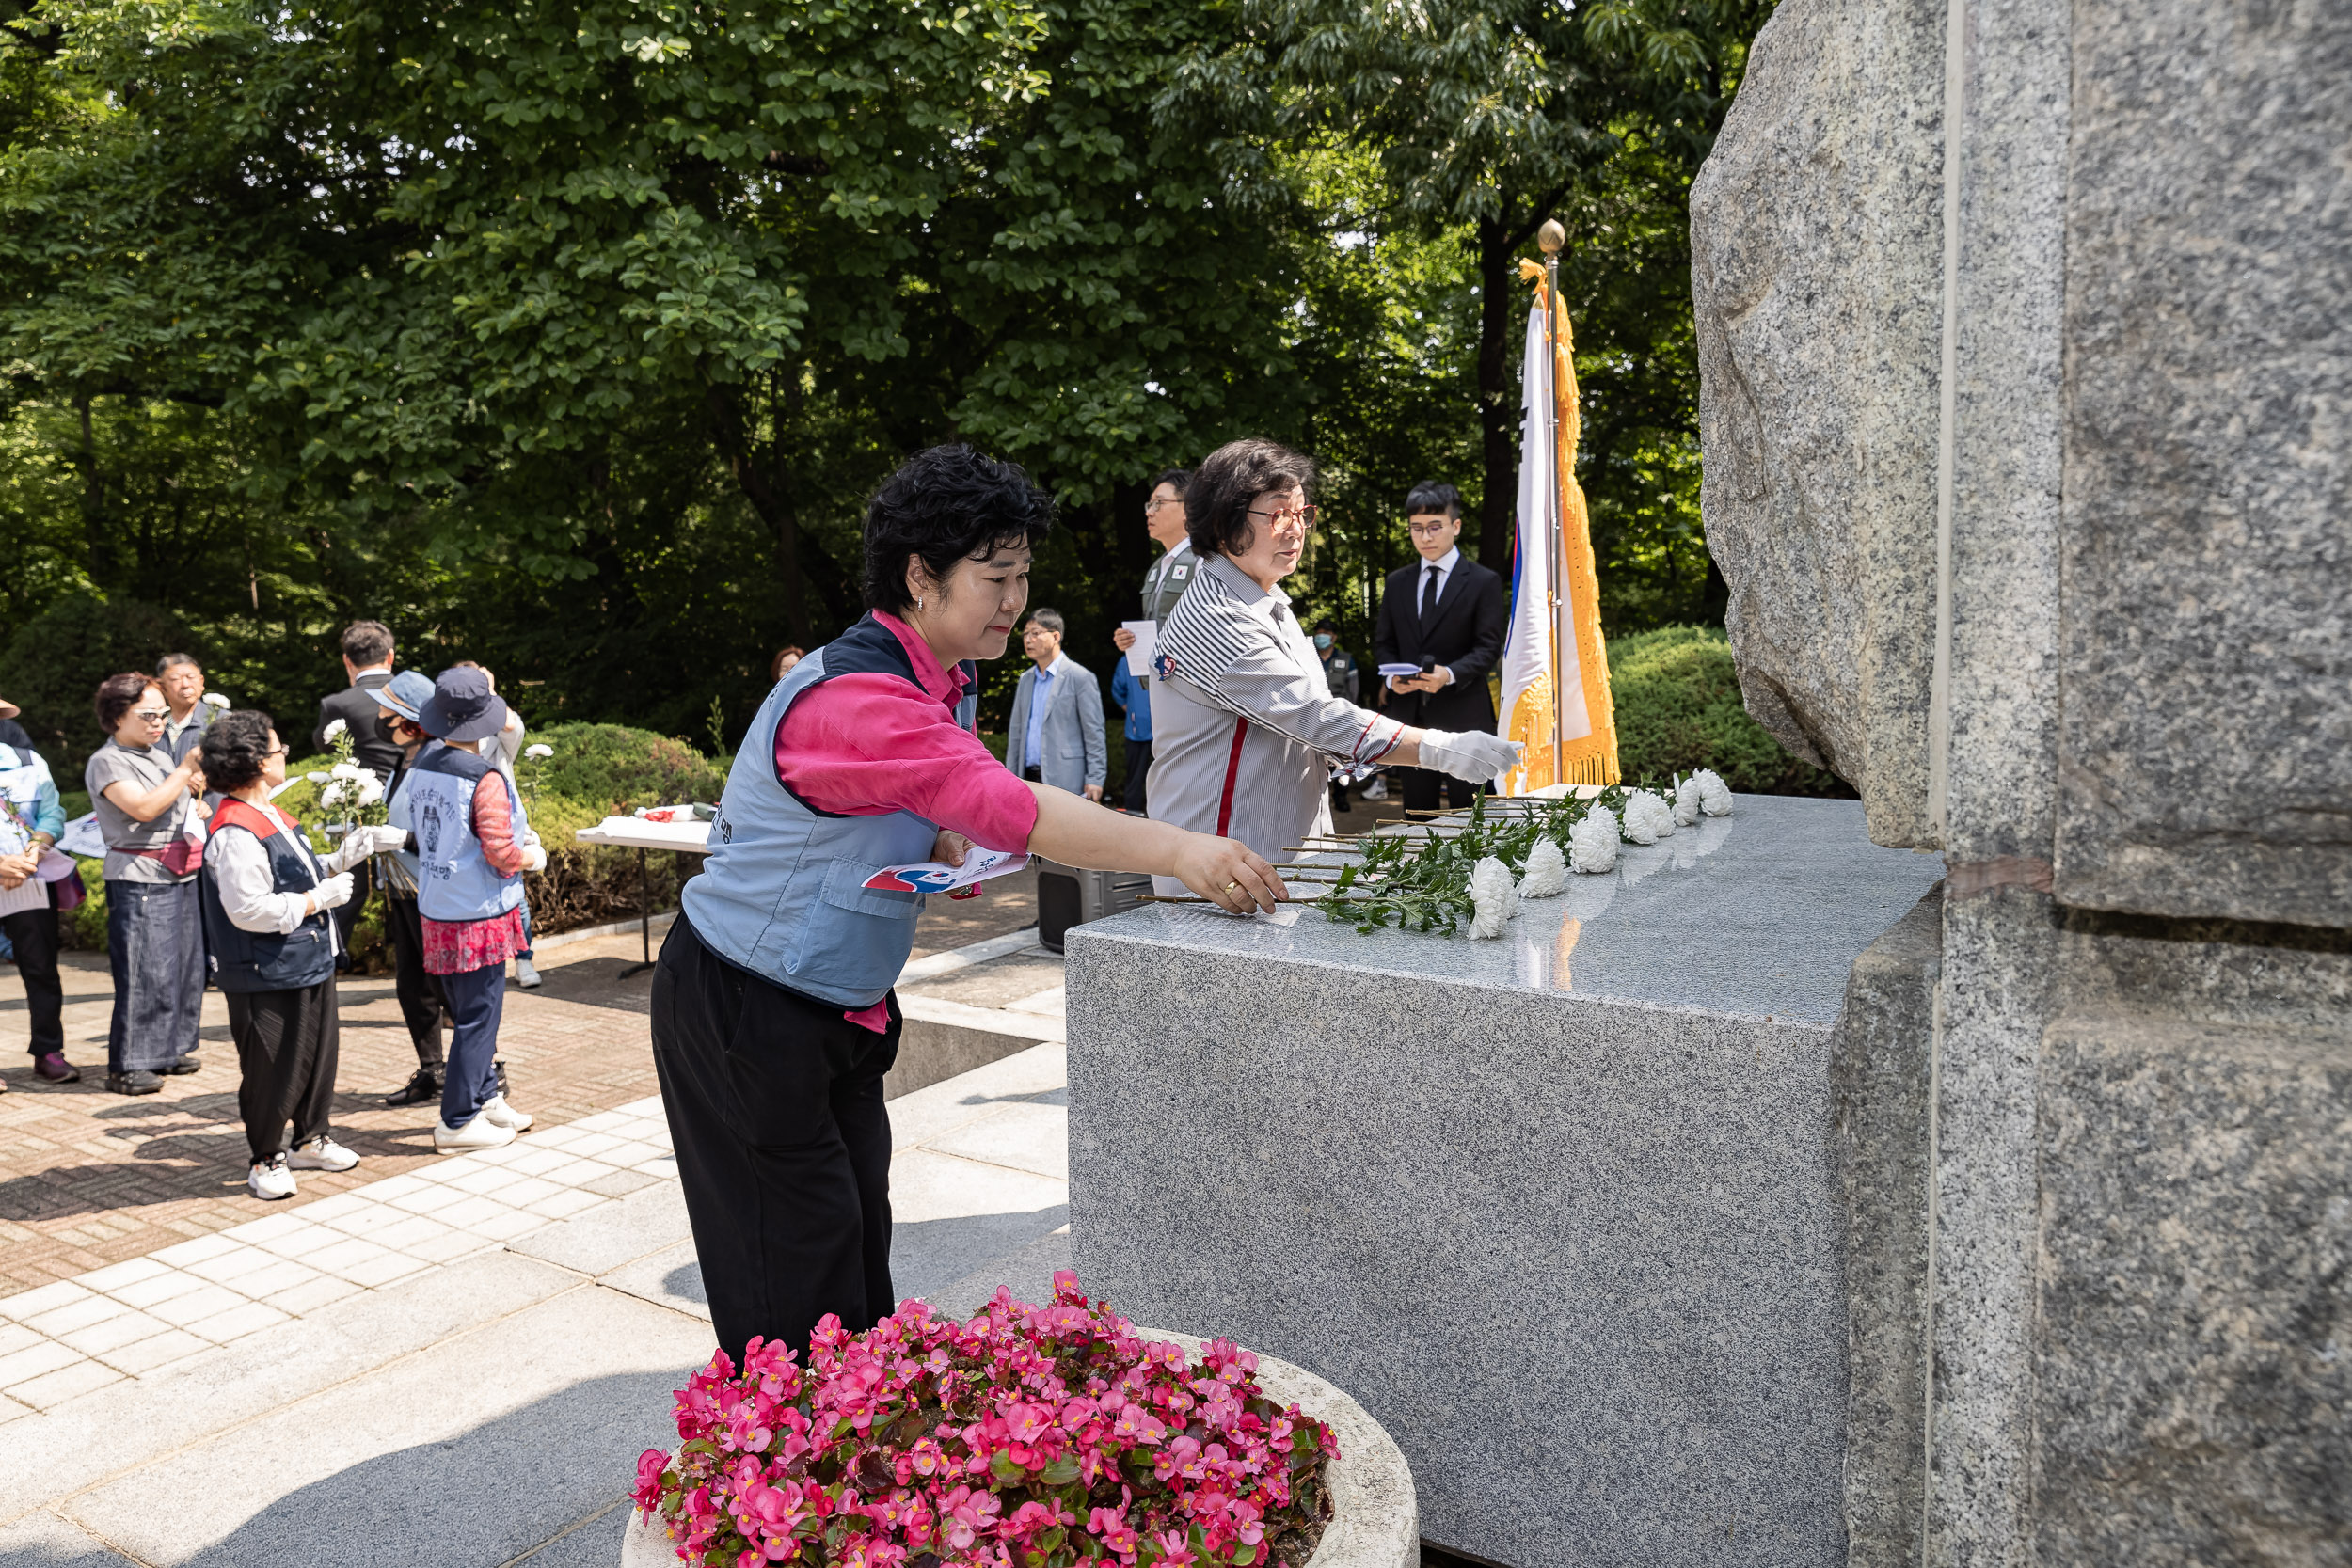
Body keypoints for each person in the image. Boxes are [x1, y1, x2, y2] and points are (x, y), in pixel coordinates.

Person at [657, 442, 1284, 1366]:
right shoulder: (859, 694)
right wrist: (1182, 847)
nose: (1013, 602)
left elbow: (915, 798)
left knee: (852, 1232)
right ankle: (784, 1484)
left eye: (1024, 575)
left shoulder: (931, 676)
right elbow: (1013, 806)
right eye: (995, 576)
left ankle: (854, 1452)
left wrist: (927, 834)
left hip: (830, 1001)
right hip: (748, 1003)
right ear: (919, 574)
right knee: (790, 1269)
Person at [1146, 440, 1519, 889]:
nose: (1297, 528)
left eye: (1304, 513)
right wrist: (1440, 749)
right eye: (1279, 513)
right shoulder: (1216, 615)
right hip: (1223, 868)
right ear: (1225, 523)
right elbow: (1313, 716)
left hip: (1275, 857)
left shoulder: (1267, 600)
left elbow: (1306, 724)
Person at [197, 711, 404, 1200]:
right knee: (272, 1066)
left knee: (316, 1056)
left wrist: (341, 858)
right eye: (277, 749)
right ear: (254, 762)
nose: (283, 755)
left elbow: (295, 873)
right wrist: (319, 899)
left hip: (306, 957)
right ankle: (265, 1157)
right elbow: (248, 909)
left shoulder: (274, 815)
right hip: (264, 968)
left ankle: (311, 1137)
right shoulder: (233, 829)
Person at [404, 667, 544, 1152]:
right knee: (479, 1016)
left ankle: (485, 1098)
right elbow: (502, 855)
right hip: (478, 912)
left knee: (468, 1011)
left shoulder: (424, 763)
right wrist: (533, 856)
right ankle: (458, 1121)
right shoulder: (483, 777)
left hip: (440, 907)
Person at [86, 673, 211, 1094]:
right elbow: (141, 808)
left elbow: (171, 800)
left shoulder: (154, 753)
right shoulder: (107, 760)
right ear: (117, 717)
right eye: (147, 715)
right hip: (140, 878)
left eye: (161, 715)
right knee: (144, 971)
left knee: (184, 969)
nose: (159, 723)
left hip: (179, 870)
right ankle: (128, 1064)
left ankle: (168, 1049)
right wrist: (183, 772)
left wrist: (193, 808)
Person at [1374, 480, 1510, 814]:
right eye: (1416, 528)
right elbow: (1383, 643)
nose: (1426, 537)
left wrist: (1449, 674)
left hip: (1464, 712)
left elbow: (1489, 646)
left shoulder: (1483, 581)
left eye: (1435, 527)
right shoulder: (1396, 582)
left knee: (1472, 816)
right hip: (1410, 718)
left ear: (1456, 526)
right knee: (1417, 817)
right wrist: (1393, 680)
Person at [374, 671, 453, 1106]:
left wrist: (403, 840)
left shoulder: (439, 759)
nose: (381, 718)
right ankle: (433, 1070)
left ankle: (485, 1070)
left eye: (388, 711)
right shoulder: (402, 760)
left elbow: (451, 833)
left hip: (431, 891)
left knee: (446, 986)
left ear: (411, 718)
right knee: (412, 985)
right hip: (401, 890)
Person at [449, 661, 545, 989]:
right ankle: (477, 962)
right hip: (460, 827)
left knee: (514, 897)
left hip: (501, 825)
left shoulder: (498, 732)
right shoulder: (446, 730)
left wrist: (487, 692)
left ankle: (523, 959)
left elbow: (511, 725)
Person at [314, 621, 403, 966]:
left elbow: (324, 746)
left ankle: (329, 957)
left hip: (363, 806)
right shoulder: (411, 693)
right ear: (390, 656)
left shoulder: (338, 702)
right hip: (410, 799)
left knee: (353, 885)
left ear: (347, 661)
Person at [0, 695, 76, 1086]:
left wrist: (36, 848)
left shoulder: (29, 763)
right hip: (7, 872)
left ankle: (48, 1051)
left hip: (29, 879)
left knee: (41, 968)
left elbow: (53, 812)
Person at [1002, 609, 1106, 801]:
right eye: (1025, 634)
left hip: (1066, 777)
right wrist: (1010, 776)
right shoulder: (1026, 679)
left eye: (1035, 633)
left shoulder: (1080, 677)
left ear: (1055, 636)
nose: (1028, 639)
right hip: (1026, 777)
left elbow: (1094, 732)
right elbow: (1016, 732)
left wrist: (1095, 778)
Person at [1313, 622, 1363, 814]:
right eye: (1319, 633)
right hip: (1315, 714)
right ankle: (1318, 799)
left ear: (1334, 637)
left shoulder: (1345, 659)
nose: (1321, 637)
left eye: (1326, 633)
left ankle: (1341, 796)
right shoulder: (1309, 656)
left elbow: (1354, 689)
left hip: (1341, 716)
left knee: (1342, 758)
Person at [1107, 651, 1152, 815]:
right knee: (1135, 778)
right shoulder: (1128, 659)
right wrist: (1132, 711)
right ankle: (1132, 816)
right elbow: (1117, 690)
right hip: (1137, 730)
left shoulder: (1171, 655)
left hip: (1165, 730)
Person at [156, 654, 216, 765]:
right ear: (162, 686)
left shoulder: (221, 719)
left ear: (201, 681)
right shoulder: (152, 722)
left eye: (191, 677)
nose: (185, 684)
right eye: (175, 679)